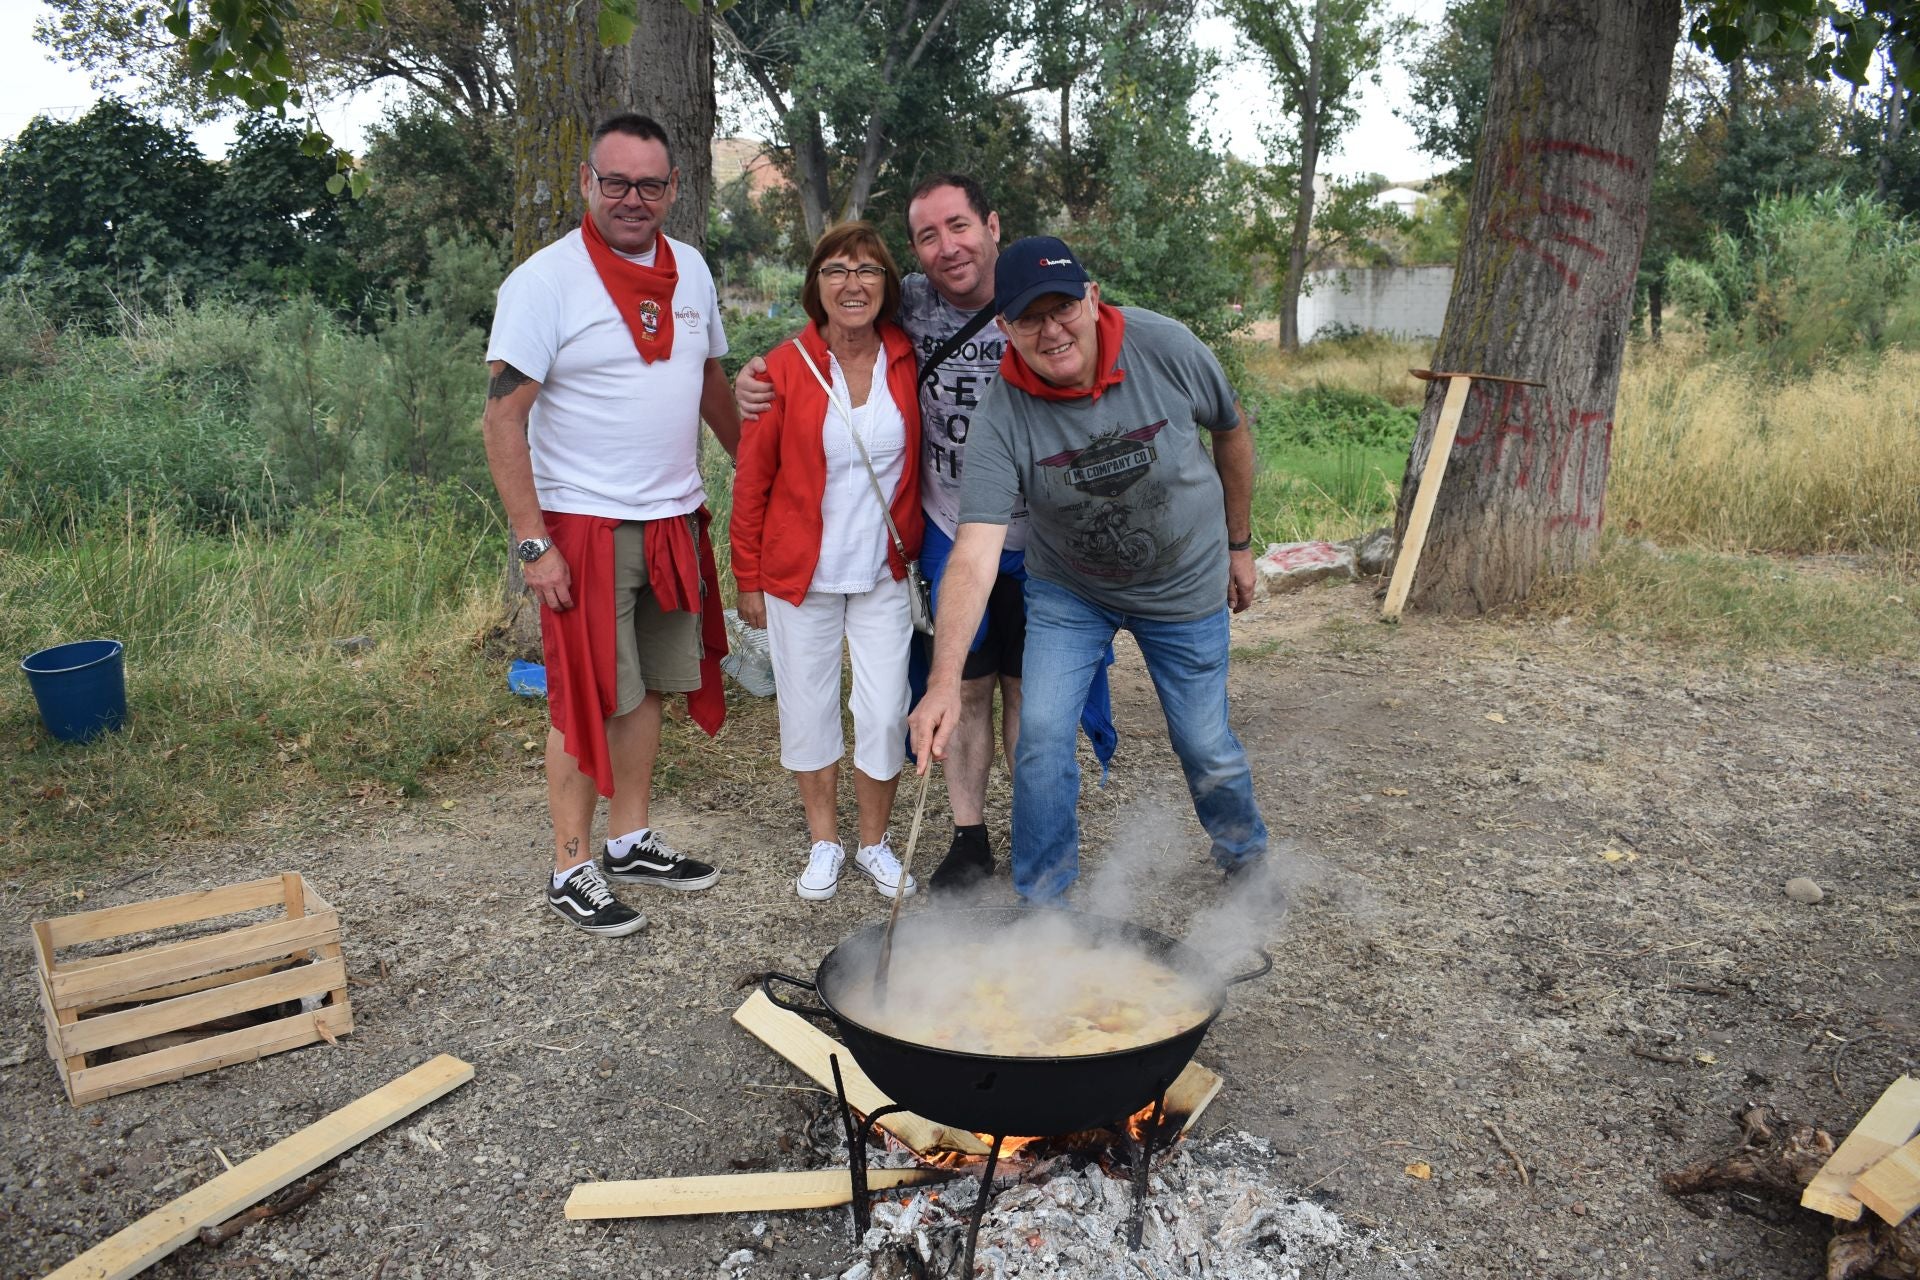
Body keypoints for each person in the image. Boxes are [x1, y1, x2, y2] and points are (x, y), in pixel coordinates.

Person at [736, 175, 1110, 896]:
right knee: (943, 693)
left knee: (1017, 698)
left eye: (959, 227)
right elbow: (756, 469)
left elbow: (1107, 346)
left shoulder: (1040, 303)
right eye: (928, 237)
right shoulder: (849, 340)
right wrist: (751, 377)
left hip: (1010, 545)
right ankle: (931, 842)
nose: (948, 247)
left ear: (992, 224)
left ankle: (1032, 844)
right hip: (932, 539)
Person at [908, 236, 1269, 903]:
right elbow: (976, 552)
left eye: (1063, 308)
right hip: (1070, 592)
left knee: (1203, 742)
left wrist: (1239, 543)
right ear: (1005, 329)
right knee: (1042, 738)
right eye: (1029, 319)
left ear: (1092, 298)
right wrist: (942, 681)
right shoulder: (1003, 414)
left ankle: (1245, 853)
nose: (1052, 330)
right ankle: (1044, 901)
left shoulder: (1167, 348)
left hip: (1184, 581)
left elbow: (1231, 429)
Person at [482, 113, 741, 937]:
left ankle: (629, 838)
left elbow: (710, 385)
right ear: (587, 183)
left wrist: (762, 477)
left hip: (672, 516)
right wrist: (533, 544)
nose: (634, 198)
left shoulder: (692, 270)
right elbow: (501, 420)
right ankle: (571, 863)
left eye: (651, 184)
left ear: (673, 189)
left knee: (647, 690)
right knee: (585, 698)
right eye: (617, 181)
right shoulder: (543, 281)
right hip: (583, 526)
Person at [730, 221, 923, 902]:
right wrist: (746, 574)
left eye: (866, 270)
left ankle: (873, 844)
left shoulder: (909, 357)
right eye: (836, 269)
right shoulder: (783, 368)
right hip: (797, 574)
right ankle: (825, 842)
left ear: (886, 285)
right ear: (816, 285)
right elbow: (751, 481)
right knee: (808, 709)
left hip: (882, 573)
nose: (852, 284)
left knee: (881, 710)